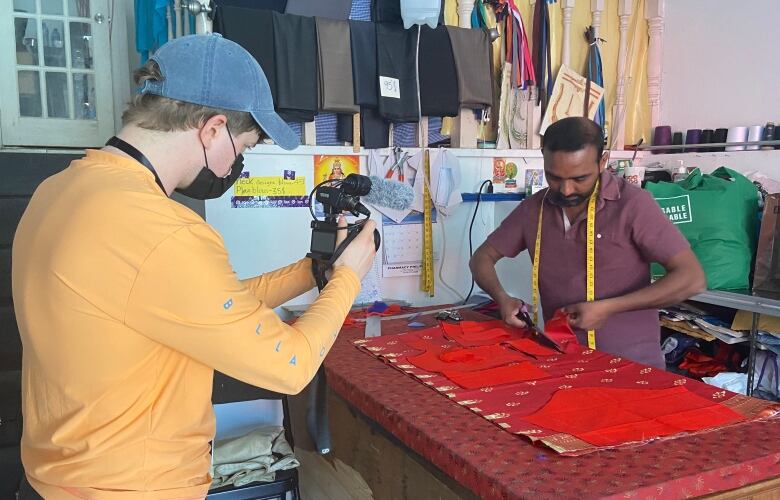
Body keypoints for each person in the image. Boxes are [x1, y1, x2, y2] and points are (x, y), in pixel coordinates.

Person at [12, 34, 376, 498]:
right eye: (242, 148)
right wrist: (348, 276)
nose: (235, 164)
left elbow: (203, 307)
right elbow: (289, 365)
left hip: (50, 481)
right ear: (212, 128)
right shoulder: (162, 230)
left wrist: (313, 271)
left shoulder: (59, 191)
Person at [470, 117, 705, 368]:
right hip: (561, 360)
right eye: (555, 177)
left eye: (579, 178)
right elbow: (481, 259)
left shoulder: (633, 205)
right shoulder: (534, 209)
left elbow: (692, 278)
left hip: (632, 368)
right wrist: (503, 299)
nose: (566, 190)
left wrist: (608, 308)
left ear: (602, 162)